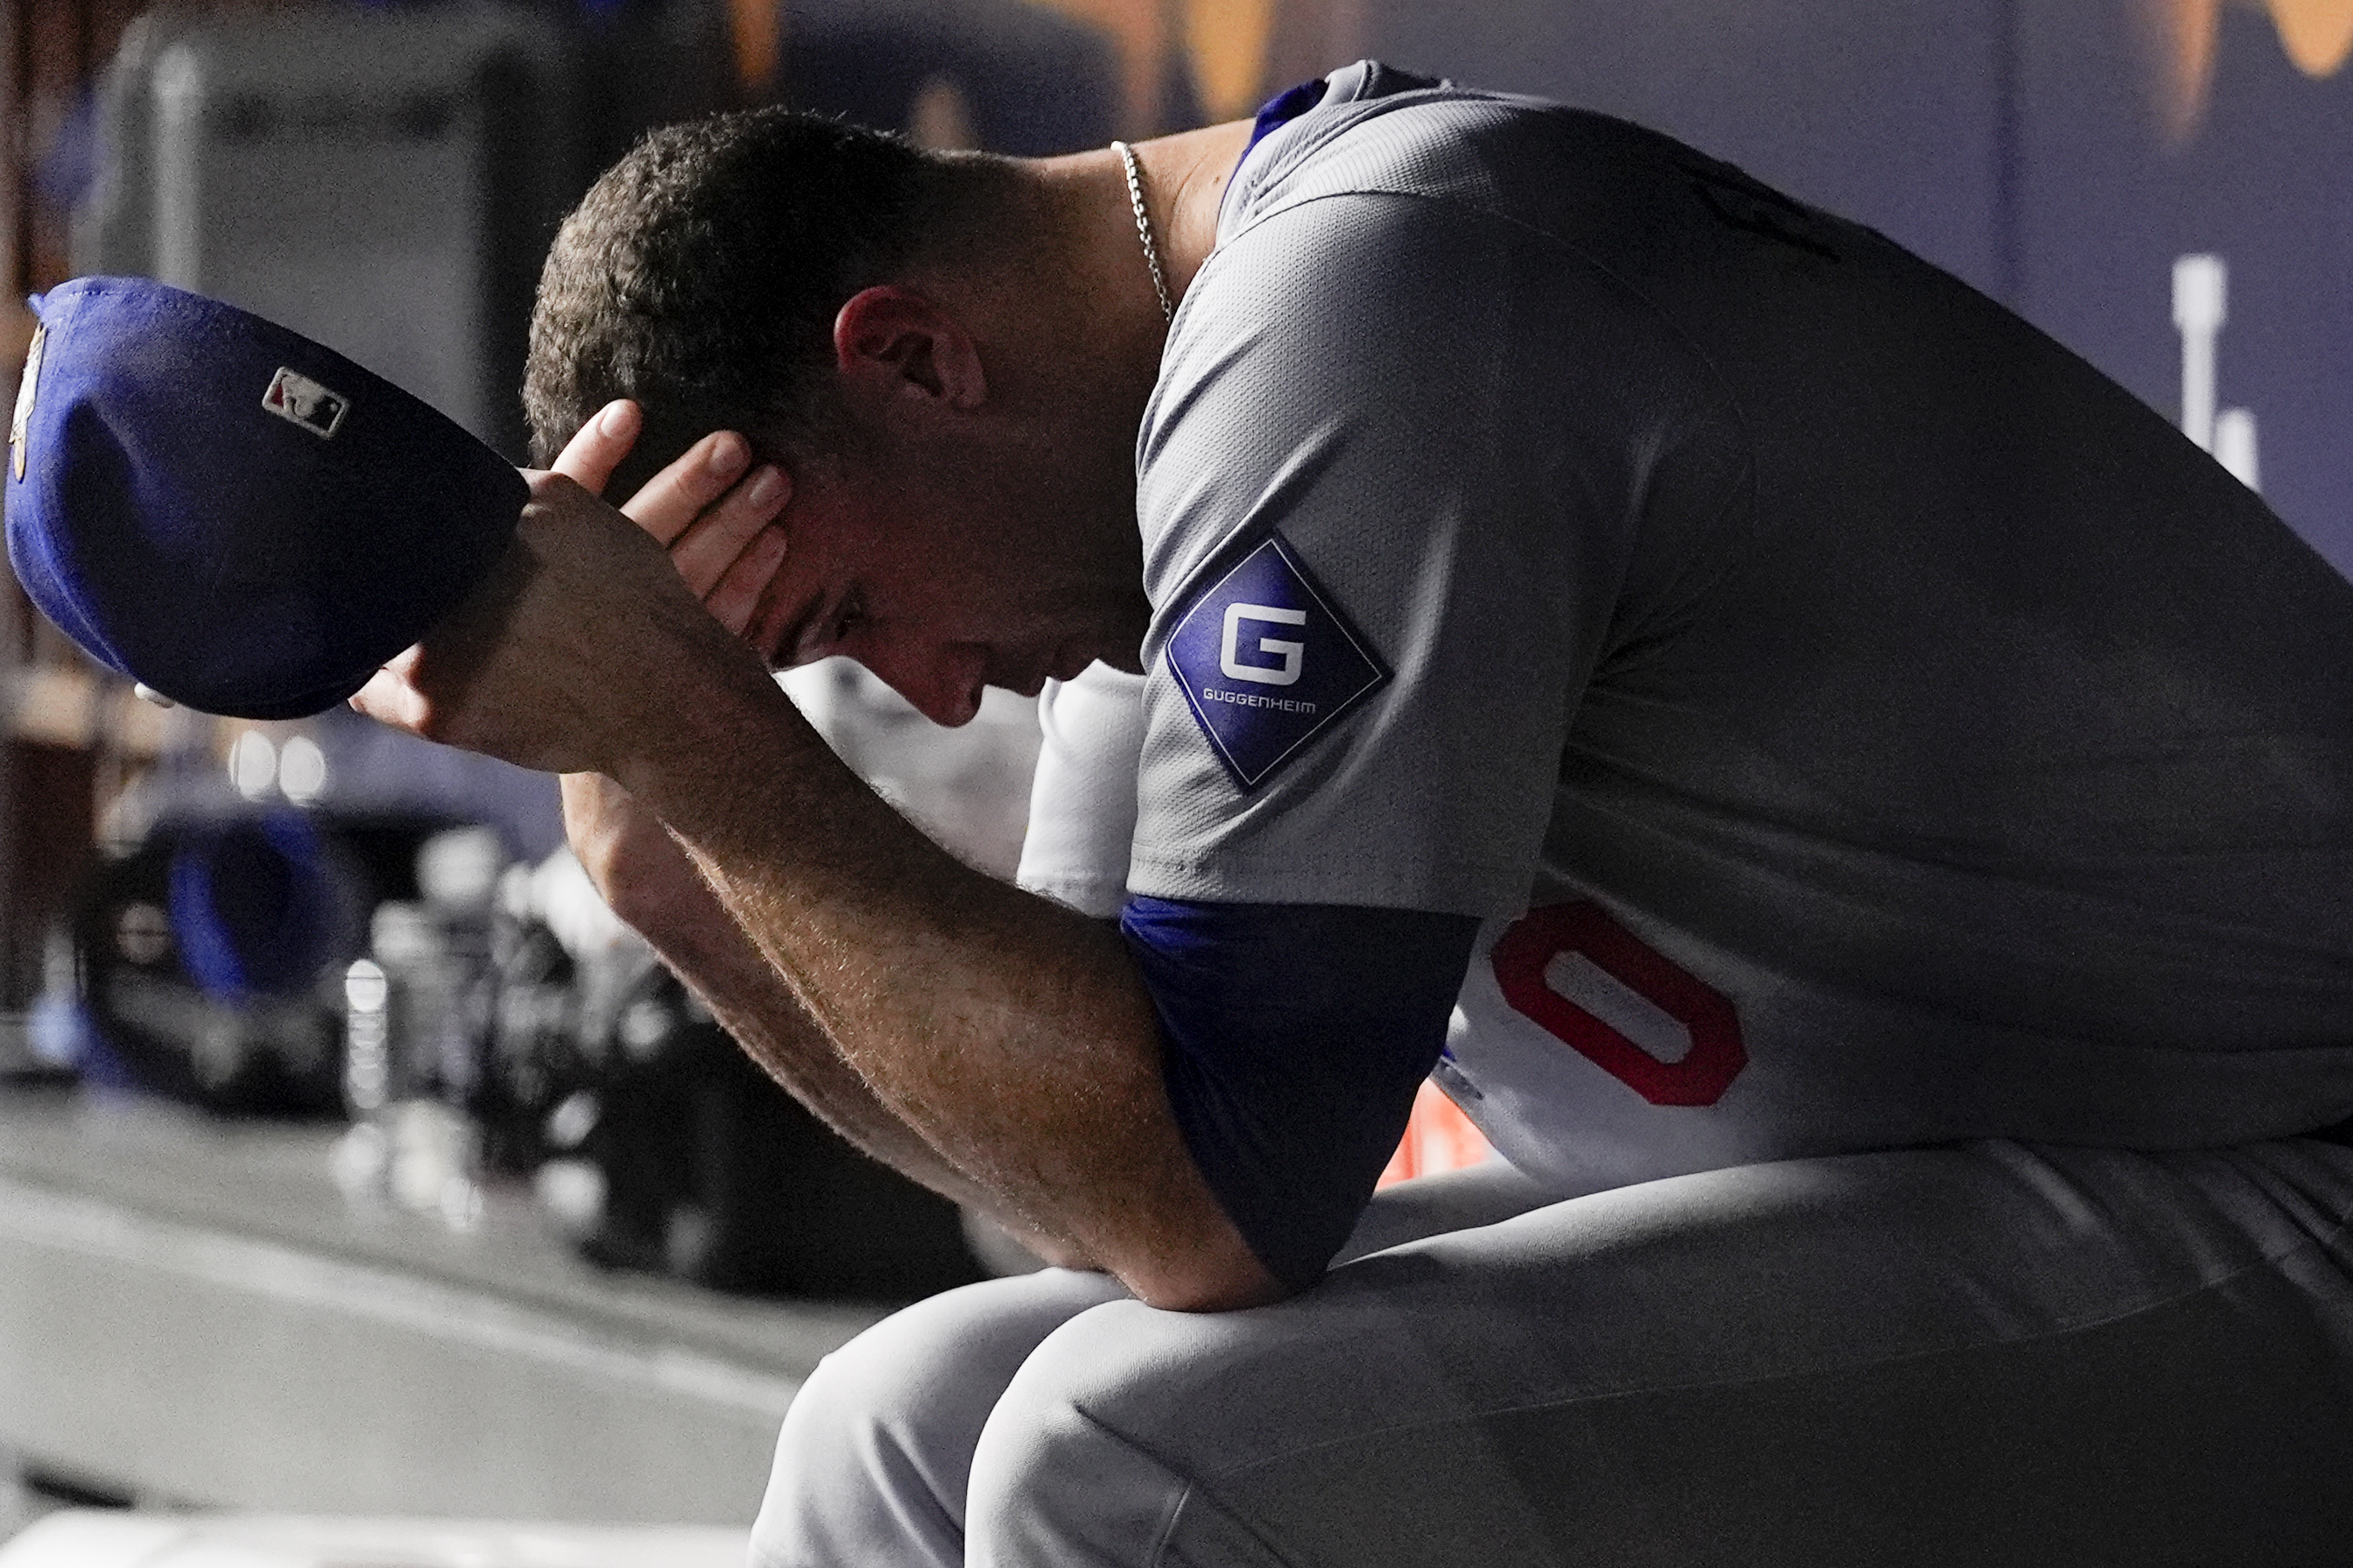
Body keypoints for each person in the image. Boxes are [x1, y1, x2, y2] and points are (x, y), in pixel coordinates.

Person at [356, 61, 2353, 1565]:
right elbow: (1060, 1193)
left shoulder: (1359, 301)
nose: (932, 690)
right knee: (903, 1413)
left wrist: (715, 752)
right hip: (1964, 1185)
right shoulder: (1160, 461)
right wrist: (656, 856)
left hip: (2275, 1175)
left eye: (854, 617)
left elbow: (1198, 1197)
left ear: (917, 359)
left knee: (1120, 1453)